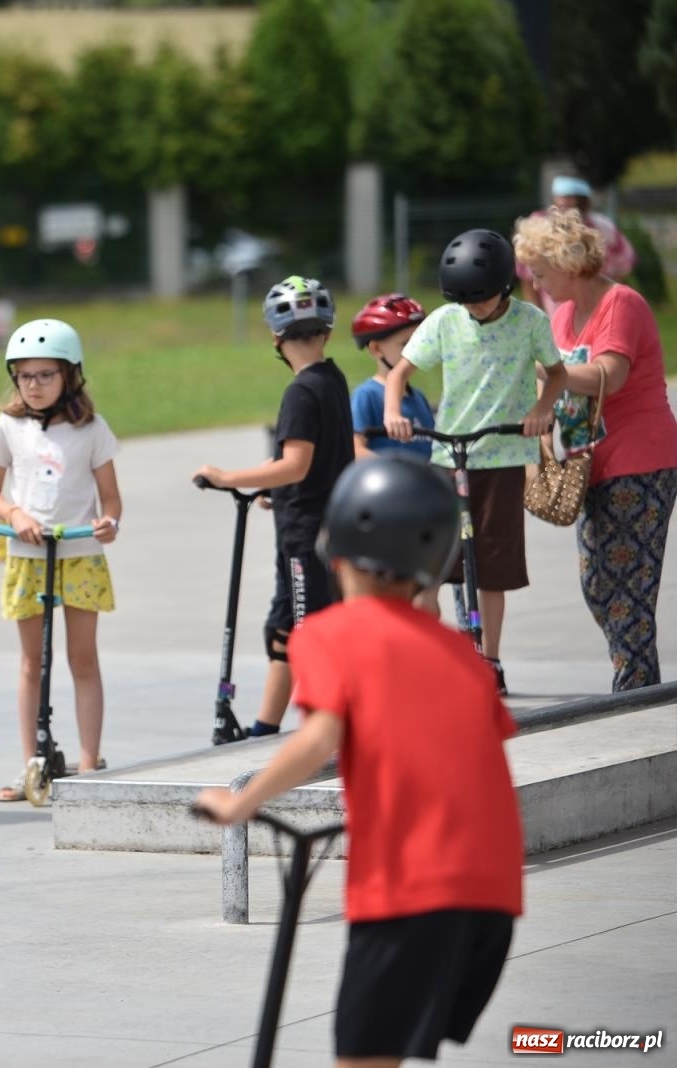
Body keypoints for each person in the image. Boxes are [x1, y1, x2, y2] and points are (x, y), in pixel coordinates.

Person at [196, 456, 524, 1068]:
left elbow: (321, 735)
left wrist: (240, 802)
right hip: (492, 897)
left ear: (336, 549)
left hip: (411, 889)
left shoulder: (328, 634)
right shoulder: (462, 654)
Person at [384, 229, 568, 693]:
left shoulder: (529, 321)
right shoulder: (446, 320)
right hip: (450, 454)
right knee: (434, 565)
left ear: (505, 286)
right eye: (467, 301)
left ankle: (490, 658)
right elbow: (401, 372)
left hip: (504, 456)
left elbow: (559, 374)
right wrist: (393, 412)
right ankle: (433, 653)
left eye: (482, 300)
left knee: (493, 565)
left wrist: (542, 409)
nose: (474, 308)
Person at [513, 207, 677, 690]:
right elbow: (565, 389)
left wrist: (545, 370)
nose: (535, 281)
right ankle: (635, 684)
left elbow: (610, 375)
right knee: (598, 583)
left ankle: (634, 689)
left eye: (540, 272)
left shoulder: (620, 303)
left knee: (627, 583)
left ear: (567, 262)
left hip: (640, 459)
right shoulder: (563, 314)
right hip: (591, 461)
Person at [193, 277, 353, 735]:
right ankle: (265, 729)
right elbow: (319, 459)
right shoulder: (333, 379)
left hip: (307, 535)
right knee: (284, 630)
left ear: (275, 338)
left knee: (308, 636)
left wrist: (229, 478)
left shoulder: (300, 392)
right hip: (317, 523)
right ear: (326, 333)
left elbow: (297, 465)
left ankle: (326, 731)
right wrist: (273, 488)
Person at [0, 319, 121, 801]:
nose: (33, 385)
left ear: (69, 376)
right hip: (28, 556)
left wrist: (108, 524)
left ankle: (88, 764)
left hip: (80, 553)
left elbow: (111, 501)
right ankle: (33, 764)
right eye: (24, 375)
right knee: (31, 664)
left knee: (83, 659)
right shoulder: (8, 426)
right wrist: (15, 513)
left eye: (45, 375)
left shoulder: (91, 430)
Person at [349, 294, 440, 615]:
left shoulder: (418, 399)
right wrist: (399, 478)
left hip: (419, 516)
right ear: (376, 350)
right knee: (384, 604)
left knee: (427, 605)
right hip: (382, 515)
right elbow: (354, 449)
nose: (415, 354)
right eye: (405, 344)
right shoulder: (367, 396)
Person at [516, 175, 637, 315]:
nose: (566, 203)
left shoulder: (603, 228)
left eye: (573, 199)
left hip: (596, 310)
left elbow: (624, 264)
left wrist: (608, 298)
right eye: (563, 197)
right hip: (554, 313)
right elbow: (526, 275)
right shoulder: (540, 225)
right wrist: (539, 315)